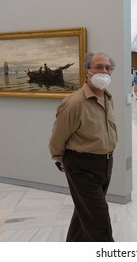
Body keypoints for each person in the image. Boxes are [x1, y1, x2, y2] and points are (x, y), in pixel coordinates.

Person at [49, 52, 118, 242]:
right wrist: (59, 158)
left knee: (84, 214)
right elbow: (57, 136)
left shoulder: (107, 98)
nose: (103, 71)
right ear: (87, 71)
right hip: (81, 166)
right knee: (99, 223)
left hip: (105, 164)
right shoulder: (74, 103)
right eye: (98, 67)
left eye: (107, 67)